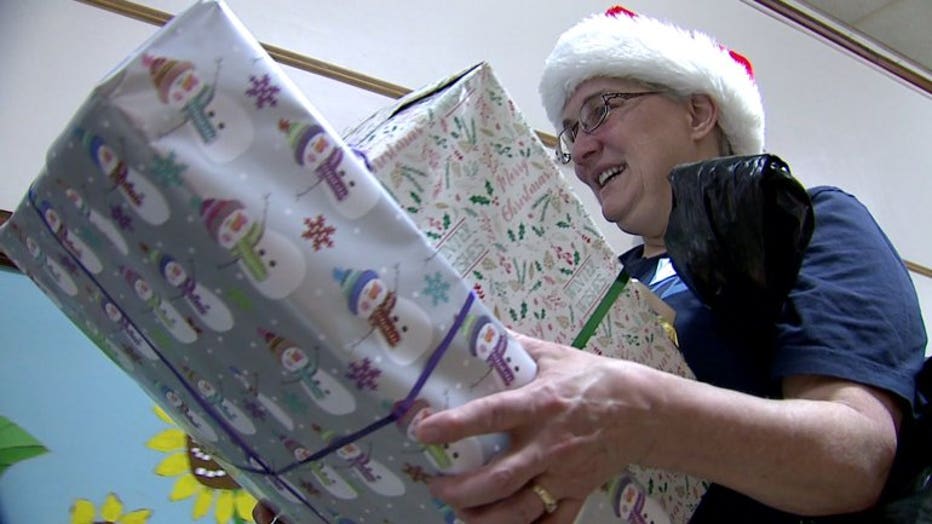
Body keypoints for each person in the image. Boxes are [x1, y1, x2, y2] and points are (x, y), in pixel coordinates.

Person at [255, 5, 927, 523]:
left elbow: (855, 456)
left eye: (600, 111)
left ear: (699, 110)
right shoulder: (596, 280)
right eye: (570, 133)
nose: (579, 150)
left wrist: (639, 413)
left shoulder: (806, 220)